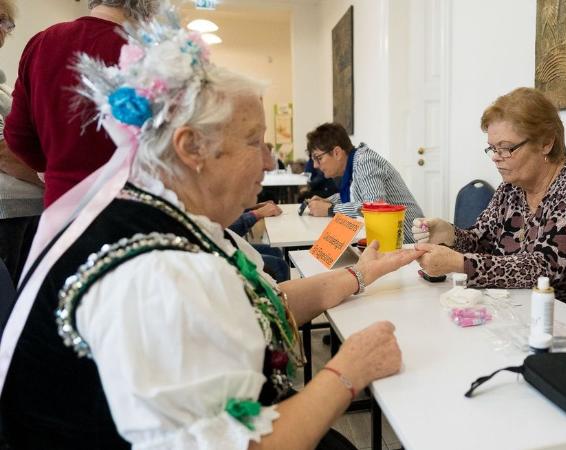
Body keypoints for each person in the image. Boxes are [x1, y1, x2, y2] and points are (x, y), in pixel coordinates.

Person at [0, 8, 424, 449]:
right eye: (253, 141)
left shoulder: (160, 218)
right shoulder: (157, 273)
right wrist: (347, 372)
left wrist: (359, 274)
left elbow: (260, 305)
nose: (268, 161)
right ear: (192, 148)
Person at [413, 87, 566, 306]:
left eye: (506, 148)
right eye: (492, 149)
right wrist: (450, 234)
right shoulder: (512, 189)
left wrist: (460, 264)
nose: (496, 158)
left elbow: (543, 270)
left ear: (546, 143)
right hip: (524, 312)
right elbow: (483, 242)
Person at [3, 0, 157, 207]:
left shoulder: (42, 42)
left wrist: (55, 170)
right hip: (125, 205)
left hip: (60, 204)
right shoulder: (148, 58)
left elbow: (18, 135)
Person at [305, 122, 424, 244]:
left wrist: (331, 209)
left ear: (337, 152)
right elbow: (355, 195)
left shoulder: (364, 161)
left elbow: (375, 207)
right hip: (390, 240)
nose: (315, 165)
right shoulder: (354, 164)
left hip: (408, 241)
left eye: (318, 158)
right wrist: (328, 201)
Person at [0, 0, 43, 285]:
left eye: (4, 22)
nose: (3, 30)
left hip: (25, 207)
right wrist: (54, 180)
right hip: (5, 211)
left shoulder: (3, 86)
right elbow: (3, 152)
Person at [229, 201, 290, 282]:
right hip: (227, 252)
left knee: (274, 251)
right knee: (281, 266)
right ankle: (277, 292)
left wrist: (255, 208)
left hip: (232, 245)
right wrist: (256, 213)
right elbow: (226, 229)